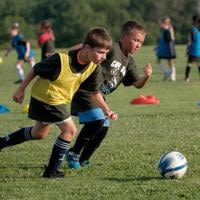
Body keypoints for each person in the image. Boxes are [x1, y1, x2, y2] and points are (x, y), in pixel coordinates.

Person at [0, 27, 117, 178]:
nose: (104, 56)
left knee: (38, 133)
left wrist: (107, 110)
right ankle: (52, 171)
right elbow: (35, 69)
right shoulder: (61, 60)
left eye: (106, 53)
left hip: (58, 100)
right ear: (86, 47)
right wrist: (21, 89)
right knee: (70, 130)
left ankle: (2, 142)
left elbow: (94, 92)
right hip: (46, 98)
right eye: (101, 52)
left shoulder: (94, 67)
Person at [67, 20, 153, 169]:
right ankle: (73, 153)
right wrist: (64, 54)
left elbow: (137, 84)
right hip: (87, 90)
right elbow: (84, 46)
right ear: (123, 37)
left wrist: (146, 77)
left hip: (99, 96)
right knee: (97, 121)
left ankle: (83, 159)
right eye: (136, 40)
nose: (138, 44)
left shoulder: (130, 62)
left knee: (103, 127)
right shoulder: (112, 48)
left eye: (141, 42)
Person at [155, 16, 176, 81]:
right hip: (165, 47)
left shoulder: (168, 28)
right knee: (168, 62)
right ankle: (169, 74)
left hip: (168, 48)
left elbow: (171, 39)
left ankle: (172, 76)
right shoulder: (165, 29)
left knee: (170, 62)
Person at [184, 15, 200, 82]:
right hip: (198, 49)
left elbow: (189, 41)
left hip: (193, 49)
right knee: (199, 64)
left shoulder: (192, 29)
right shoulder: (198, 29)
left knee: (189, 64)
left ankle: (187, 78)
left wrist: (187, 49)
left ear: (193, 21)